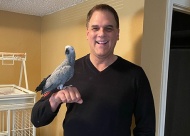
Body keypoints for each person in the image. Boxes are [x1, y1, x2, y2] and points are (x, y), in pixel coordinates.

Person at [31, 4, 155, 136]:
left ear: (117, 34)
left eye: (108, 28)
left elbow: (146, 129)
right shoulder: (68, 71)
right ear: (87, 33)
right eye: (95, 28)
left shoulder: (136, 75)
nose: (101, 34)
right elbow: (37, 119)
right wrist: (55, 99)